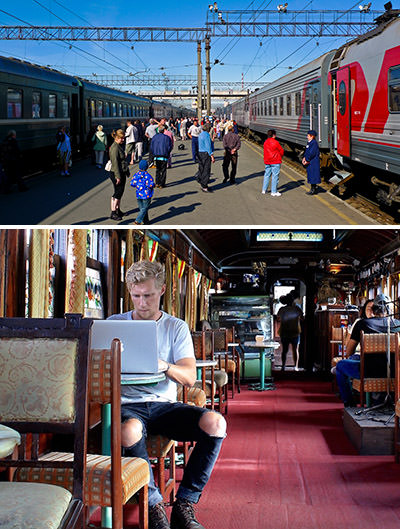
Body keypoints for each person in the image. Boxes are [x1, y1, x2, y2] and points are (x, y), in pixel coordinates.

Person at [108, 260, 226, 529]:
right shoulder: (115, 323)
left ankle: (184, 503)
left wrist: (164, 365)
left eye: (148, 295)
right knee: (128, 432)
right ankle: (153, 506)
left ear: (162, 290)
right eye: (136, 296)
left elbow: (189, 377)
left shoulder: (176, 327)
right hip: (127, 405)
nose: (141, 303)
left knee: (216, 423)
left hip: (165, 406)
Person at [335, 295, 400, 407]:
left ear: (373, 309)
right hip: (395, 372)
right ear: (390, 309)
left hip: (369, 371)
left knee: (340, 365)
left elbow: (349, 352)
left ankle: (350, 405)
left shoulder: (362, 324)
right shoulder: (397, 325)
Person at [277, 294, 303, 371]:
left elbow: (278, 318)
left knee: (284, 350)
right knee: (295, 350)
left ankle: (283, 366)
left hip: (285, 331)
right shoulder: (297, 309)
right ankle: (296, 367)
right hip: (295, 331)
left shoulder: (282, 309)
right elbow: (302, 317)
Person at [108, 129, 129, 221]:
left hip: (120, 172)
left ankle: (118, 210)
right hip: (117, 173)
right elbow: (115, 163)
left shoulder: (117, 146)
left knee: (119, 192)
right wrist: (117, 176)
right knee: (117, 192)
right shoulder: (114, 148)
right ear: (117, 138)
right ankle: (113, 212)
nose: (123, 140)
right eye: (122, 138)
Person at [130, 159, 155, 225]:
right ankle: (137, 221)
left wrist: (137, 184)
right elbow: (150, 184)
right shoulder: (148, 176)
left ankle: (146, 221)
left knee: (142, 209)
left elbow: (132, 183)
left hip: (139, 195)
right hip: (146, 195)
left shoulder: (136, 175)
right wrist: (153, 185)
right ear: (146, 167)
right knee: (144, 209)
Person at [262, 129, 284, 197]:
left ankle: (264, 190)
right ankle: (273, 191)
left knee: (267, 175)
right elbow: (281, 151)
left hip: (267, 161)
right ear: (274, 135)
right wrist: (279, 156)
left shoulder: (265, 142)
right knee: (275, 176)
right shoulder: (276, 142)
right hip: (275, 161)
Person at [195, 124, 214, 192]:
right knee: (206, 169)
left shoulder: (201, 134)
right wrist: (211, 155)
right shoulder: (207, 135)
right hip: (205, 154)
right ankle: (204, 186)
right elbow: (208, 146)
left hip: (200, 152)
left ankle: (200, 179)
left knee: (202, 168)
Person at [302, 129, 321, 195]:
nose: (307, 137)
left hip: (313, 162)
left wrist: (307, 160)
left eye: (308, 136)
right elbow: (307, 151)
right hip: (311, 162)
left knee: (313, 175)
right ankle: (313, 188)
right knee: (311, 174)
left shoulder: (314, 143)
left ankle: (313, 189)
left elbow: (311, 153)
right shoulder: (310, 142)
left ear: (312, 136)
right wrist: (304, 157)